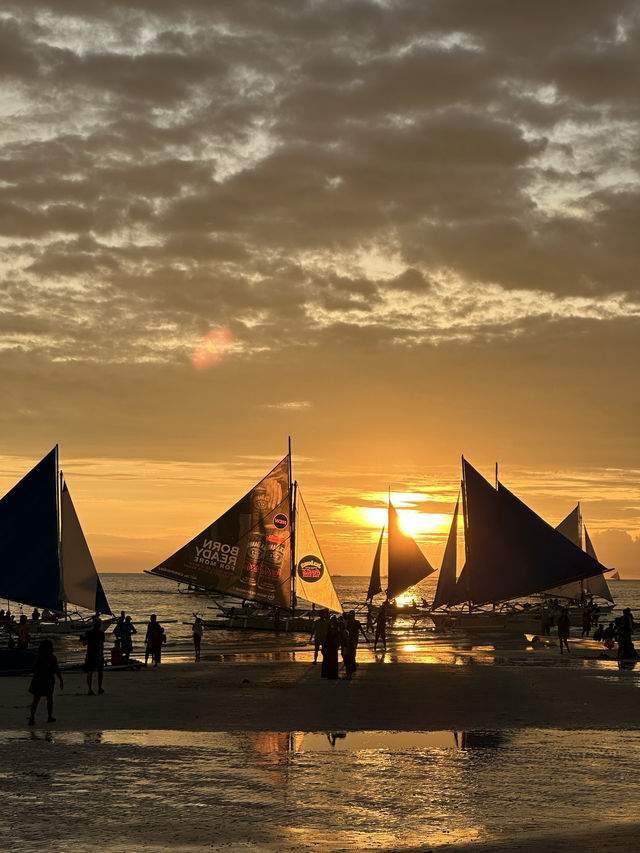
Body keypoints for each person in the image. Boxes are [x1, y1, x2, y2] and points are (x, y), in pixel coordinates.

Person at [28, 639, 63, 725]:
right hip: (49, 680)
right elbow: (57, 670)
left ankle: (32, 717)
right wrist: (61, 680)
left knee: (36, 699)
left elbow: (33, 668)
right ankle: (49, 716)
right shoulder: (53, 658)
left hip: (38, 679)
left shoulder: (39, 657)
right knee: (49, 699)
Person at [82, 616, 105, 695]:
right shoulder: (101, 633)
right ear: (99, 625)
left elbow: (84, 643)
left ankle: (90, 689)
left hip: (90, 653)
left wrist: (83, 638)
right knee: (100, 672)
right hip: (97, 654)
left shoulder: (88, 633)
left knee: (90, 671)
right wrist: (101, 656)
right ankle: (99, 688)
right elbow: (101, 645)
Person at [344, 610, 367, 680]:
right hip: (349, 639)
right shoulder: (347, 622)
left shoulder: (357, 622)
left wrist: (366, 637)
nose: (352, 616)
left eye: (353, 614)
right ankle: (352, 663)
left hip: (355, 638)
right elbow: (344, 630)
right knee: (350, 652)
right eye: (351, 614)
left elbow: (361, 630)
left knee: (353, 651)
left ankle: (353, 662)